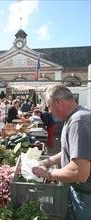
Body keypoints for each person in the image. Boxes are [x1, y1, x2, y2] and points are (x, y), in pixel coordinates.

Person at [32, 84, 91, 220]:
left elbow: (79, 172)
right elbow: (71, 152)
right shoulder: (75, 117)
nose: (50, 111)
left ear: (58, 101)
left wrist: (47, 173)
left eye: (49, 106)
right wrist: (47, 161)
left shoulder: (78, 121)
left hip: (86, 198)